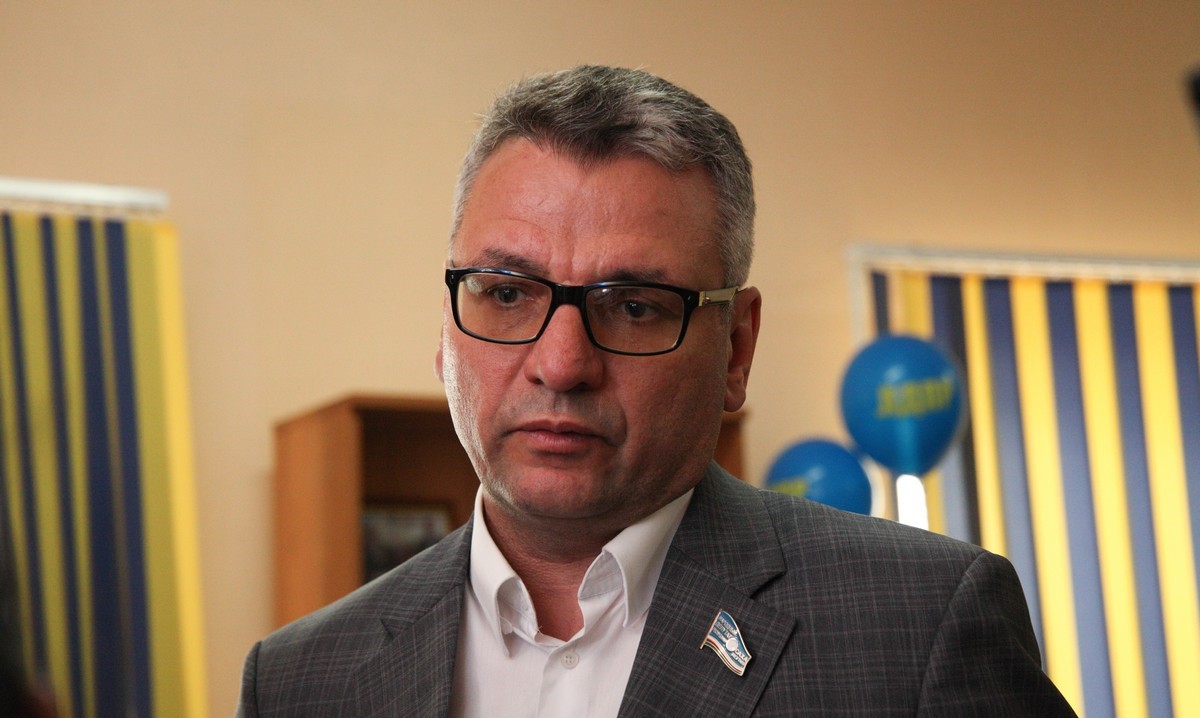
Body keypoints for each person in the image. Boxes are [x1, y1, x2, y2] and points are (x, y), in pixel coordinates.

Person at [238, 65, 1075, 716]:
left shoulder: (919, 629)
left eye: (635, 306)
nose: (561, 363)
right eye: (507, 293)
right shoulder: (300, 681)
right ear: (448, 327)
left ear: (736, 348)